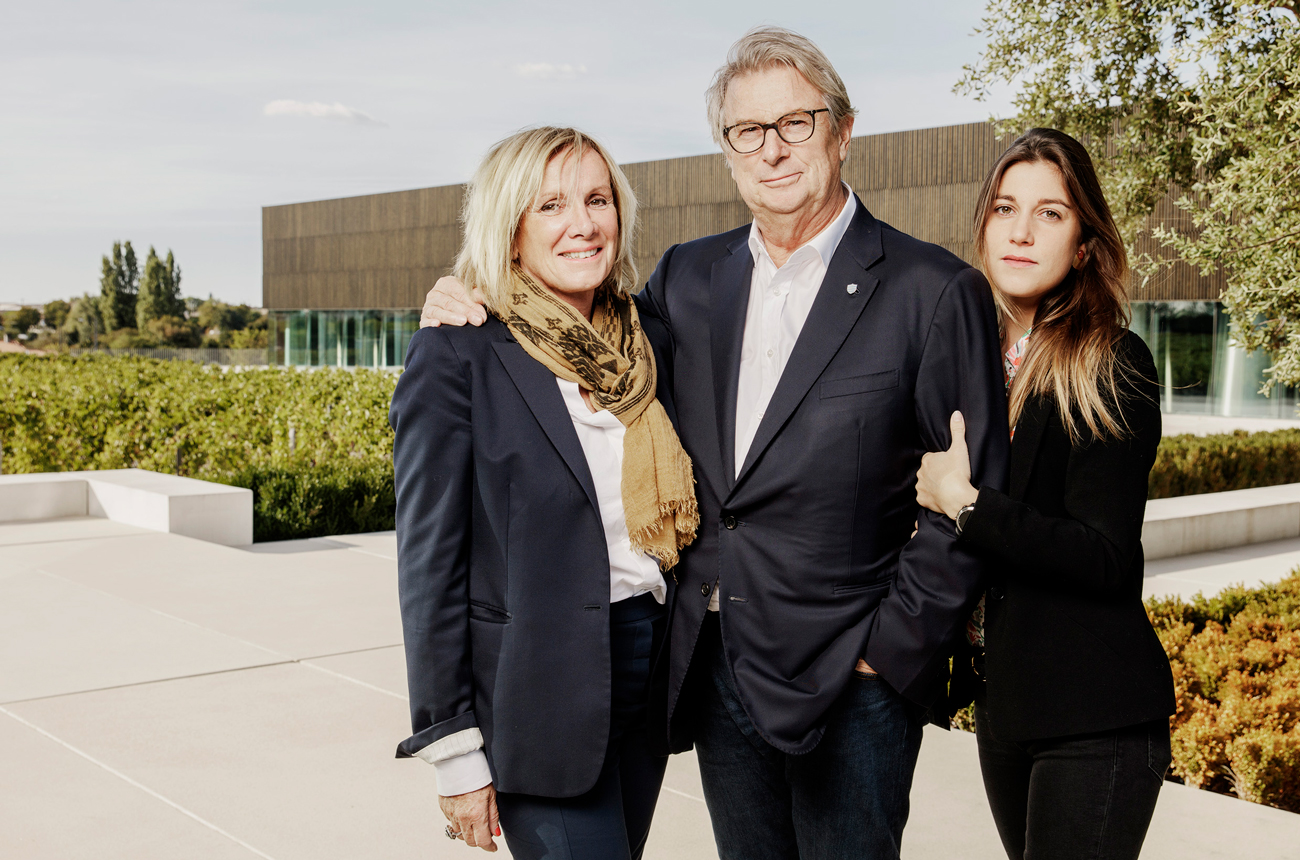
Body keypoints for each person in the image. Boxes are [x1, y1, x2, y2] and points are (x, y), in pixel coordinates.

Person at [420, 27, 1010, 860]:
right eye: (747, 131)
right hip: (714, 667)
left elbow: (970, 492)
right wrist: (470, 291)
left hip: (851, 675)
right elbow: (571, 344)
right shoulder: (686, 281)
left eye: (795, 123)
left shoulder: (931, 290)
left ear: (843, 131)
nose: (772, 150)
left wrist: (889, 651)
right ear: (727, 151)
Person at [390, 126, 698, 859]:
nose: (582, 223)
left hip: (647, 671)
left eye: (598, 199)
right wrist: (455, 751)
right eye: (551, 205)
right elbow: (428, 566)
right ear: (512, 230)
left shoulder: (650, 337)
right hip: (534, 691)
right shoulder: (458, 349)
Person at [915, 128, 1176, 860]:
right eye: (1005, 208)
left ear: (1084, 243)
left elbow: (1102, 555)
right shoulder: (969, 362)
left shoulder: (1112, 363)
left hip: (1096, 716)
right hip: (1007, 711)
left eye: (1050, 213)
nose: (1022, 231)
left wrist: (965, 504)